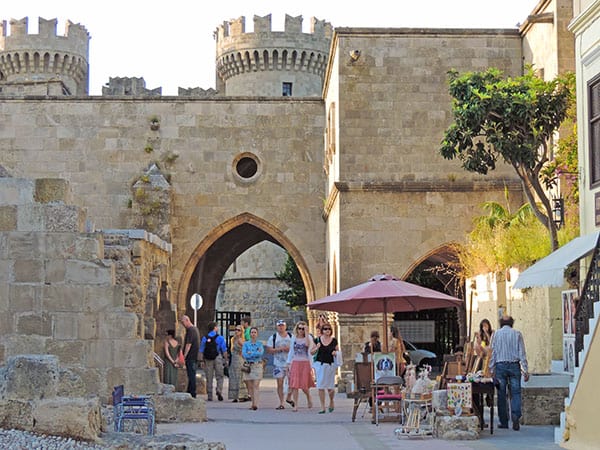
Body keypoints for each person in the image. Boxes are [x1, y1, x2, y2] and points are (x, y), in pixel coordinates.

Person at [489, 315, 529, 431]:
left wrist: (491, 369)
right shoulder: (517, 334)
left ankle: (504, 421)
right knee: (516, 393)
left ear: (501, 323)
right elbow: (522, 353)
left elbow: (493, 353)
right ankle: (516, 416)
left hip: (500, 366)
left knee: (501, 395)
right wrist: (525, 370)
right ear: (512, 323)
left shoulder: (496, 334)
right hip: (514, 366)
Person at [286, 321, 315, 411]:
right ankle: (296, 405)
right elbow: (291, 351)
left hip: (305, 362)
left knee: (304, 385)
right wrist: (288, 363)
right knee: (295, 385)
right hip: (295, 362)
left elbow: (307, 345)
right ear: (297, 329)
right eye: (299, 328)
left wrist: (306, 333)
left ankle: (308, 397)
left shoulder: (308, 337)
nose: (301, 330)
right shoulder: (293, 338)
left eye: (303, 328)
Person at [312, 322, 339, 413]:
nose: (327, 330)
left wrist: (336, 353)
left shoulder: (334, 340)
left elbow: (338, 351)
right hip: (320, 364)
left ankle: (331, 401)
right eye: (325, 329)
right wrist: (317, 348)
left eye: (329, 329)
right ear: (322, 331)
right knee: (320, 386)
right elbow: (311, 352)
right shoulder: (317, 340)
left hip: (330, 365)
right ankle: (322, 406)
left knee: (330, 387)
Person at [266, 319, 294, 410]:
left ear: (285, 326)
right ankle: (281, 402)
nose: (281, 327)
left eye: (282, 325)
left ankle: (289, 397)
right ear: (277, 327)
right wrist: (279, 349)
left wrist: (288, 349)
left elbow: (296, 348)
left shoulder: (291, 336)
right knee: (280, 383)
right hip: (278, 364)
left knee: (292, 383)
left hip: (290, 363)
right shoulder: (273, 337)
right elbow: (269, 350)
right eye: (279, 326)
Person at [199, 321, 228, 401]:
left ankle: (210, 395)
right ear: (215, 328)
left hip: (208, 359)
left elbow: (201, 350)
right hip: (217, 357)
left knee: (209, 377)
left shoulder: (205, 338)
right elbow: (224, 350)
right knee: (220, 376)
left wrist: (201, 361)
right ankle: (219, 390)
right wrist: (226, 360)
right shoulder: (220, 338)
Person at [242, 326, 265, 411]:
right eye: (252, 332)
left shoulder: (260, 344)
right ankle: (252, 402)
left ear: (257, 334)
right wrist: (254, 353)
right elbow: (244, 354)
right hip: (248, 366)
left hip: (257, 365)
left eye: (255, 332)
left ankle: (255, 404)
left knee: (256, 385)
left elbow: (260, 353)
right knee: (250, 386)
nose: (253, 334)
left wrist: (251, 353)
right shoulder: (246, 344)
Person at [180, 315, 200, 398]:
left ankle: (192, 393)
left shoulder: (191, 330)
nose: (182, 324)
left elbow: (188, 344)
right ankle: (189, 391)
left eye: (183, 322)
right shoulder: (195, 329)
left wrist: (184, 356)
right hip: (194, 356)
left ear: (187, 320)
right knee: (191, 374)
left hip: (191, 356)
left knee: (191, 375)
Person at [228, 324, 249, 402]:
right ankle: (235, 395)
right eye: (235, 330)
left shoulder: (240, 339)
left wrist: (242, 353)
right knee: (234, 377)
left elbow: (246, 348)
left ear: (241, 332)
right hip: (234, 359)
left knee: (239, 377)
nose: (236, 331)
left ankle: (242, 395)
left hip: (239, 360)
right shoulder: (234, 339)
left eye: (238, 330)